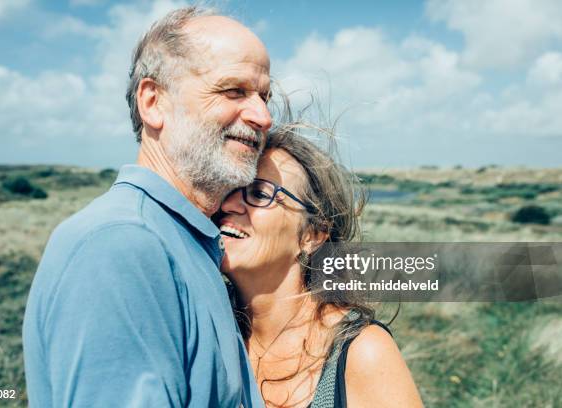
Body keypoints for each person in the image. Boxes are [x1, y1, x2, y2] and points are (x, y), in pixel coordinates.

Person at [23, 6, 271, 407]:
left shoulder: (180, 239)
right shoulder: (122, 247)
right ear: (153, 102)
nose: (263, 115)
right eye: (234, 91)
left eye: (265, 95)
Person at [215, 125, 423, 407]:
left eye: (259, 194)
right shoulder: (206, 327)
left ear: (312, 236)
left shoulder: (361, 353)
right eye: (230, 187)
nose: (229, 204)